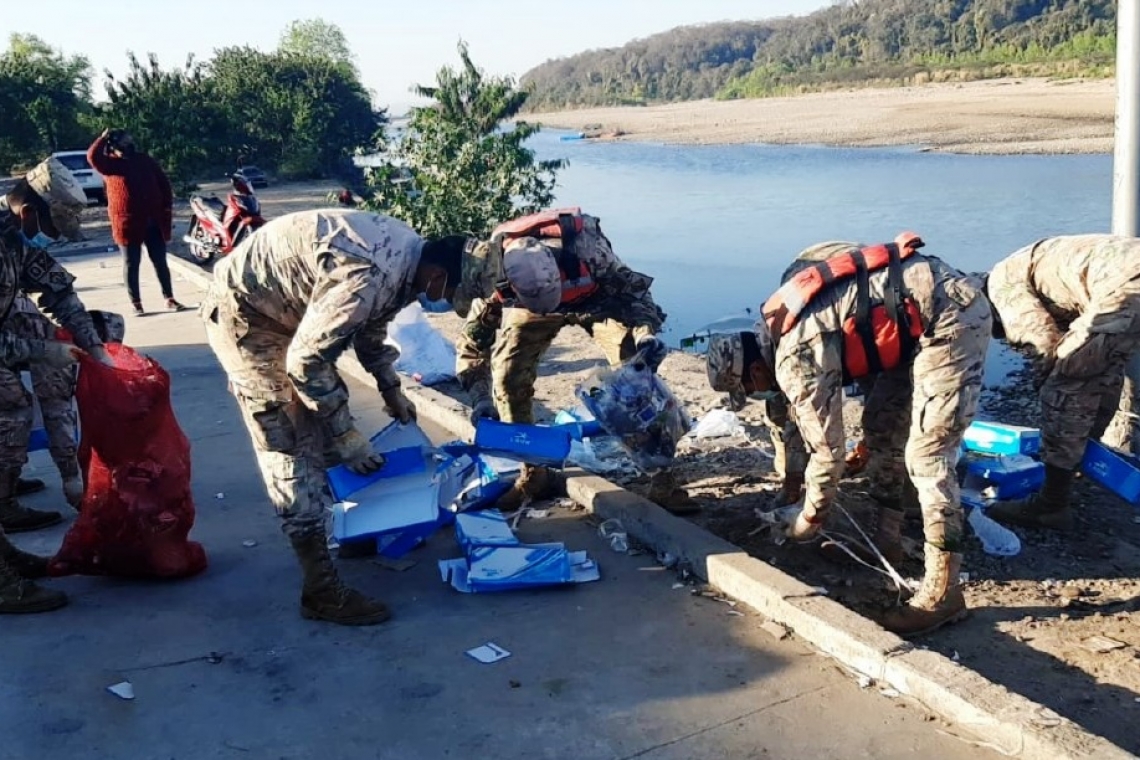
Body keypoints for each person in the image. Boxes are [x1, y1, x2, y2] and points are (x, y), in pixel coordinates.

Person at [706, 234, 991, 636]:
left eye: (748, 391)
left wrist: (807, 521)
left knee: (927, 457)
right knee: (882, 430)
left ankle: (943, 595)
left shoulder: (793, 358)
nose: (754, 397)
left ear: (755, 372)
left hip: (950, 316)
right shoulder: (769, 328)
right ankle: (887, 539)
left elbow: (828, 454)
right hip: (912, 318)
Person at [199, 209, 470, 626]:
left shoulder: (408, 258)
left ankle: (352, 526)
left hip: (286, 312)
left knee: (325, 416)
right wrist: (347, 435)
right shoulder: (370, 274)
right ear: (436, 273)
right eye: (448, 292)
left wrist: (390, 387)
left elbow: (370, 328)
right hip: (247, 320)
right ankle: (321, 591)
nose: (442, 302)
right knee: (288, 441)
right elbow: (306, 362)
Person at [451, 207, 696, 514]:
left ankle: (663, 481)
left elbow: (637, 299)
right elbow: (472, 347)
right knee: (508, 378)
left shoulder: (589, 252)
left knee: (634, 378)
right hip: (528, 309)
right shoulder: (493, 275)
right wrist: (480, 400)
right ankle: (533, 473)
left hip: (594, 301)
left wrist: (645, 335)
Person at [0, 173, 116, 614]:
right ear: (28, 212)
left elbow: (59, 292)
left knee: (11, 409)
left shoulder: (13, 240)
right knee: (6, 418)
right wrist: (44, 352)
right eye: (49, 227)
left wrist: (93, 345)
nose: (50, 238)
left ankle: (4, 554)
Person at [983, 235, 1140, 530]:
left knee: (1066, 380)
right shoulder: (1024, 263)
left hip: (1128, 288)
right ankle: (1077, 459)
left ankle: (1052, 504)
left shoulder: (1000, 288)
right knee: (1101, 370)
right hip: (1125, 279)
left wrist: (1045, 383)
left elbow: (1042, 341)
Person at [87, 129, 185, 316]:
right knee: (131, 263)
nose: (125, 148)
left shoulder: (144, 161)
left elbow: (163, 184)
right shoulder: (109, 165)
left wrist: (166, 209)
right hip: (127, 224)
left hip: (153, 220)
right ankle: (136, 303)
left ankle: (169, 298)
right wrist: (101, 138)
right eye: (121, 145)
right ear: (113, 147)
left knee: (160, 261)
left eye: (127, 144)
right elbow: (92, 157)